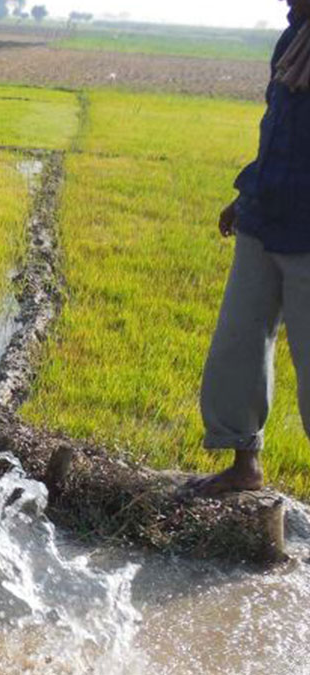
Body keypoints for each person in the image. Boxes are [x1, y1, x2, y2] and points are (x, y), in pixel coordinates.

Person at [188, 0, 310, 496]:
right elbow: (277, 131)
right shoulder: (292, 41)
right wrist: (245, 198)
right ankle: (245, 464)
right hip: (263, 219)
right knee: (238, 343)